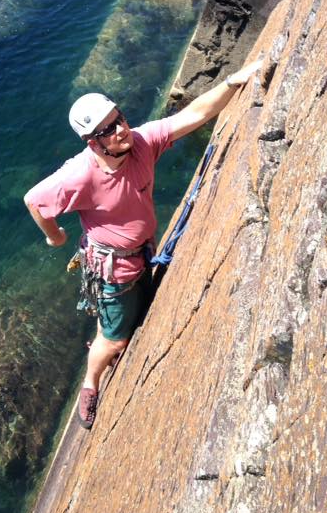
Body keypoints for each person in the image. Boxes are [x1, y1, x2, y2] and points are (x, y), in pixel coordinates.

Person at [23, 59, 262, 430]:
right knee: (115, 339)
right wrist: (55, 237)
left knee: (129, 318)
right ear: (93, 142)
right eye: (109, 129)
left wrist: (235, 80)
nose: (121, 129)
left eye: (119, 119)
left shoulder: (141, 143)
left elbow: (196, 113)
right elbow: (34, 200)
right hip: (114, 271)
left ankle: (109, 334)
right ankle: (91, 382)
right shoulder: (81, 174)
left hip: (141, 252)